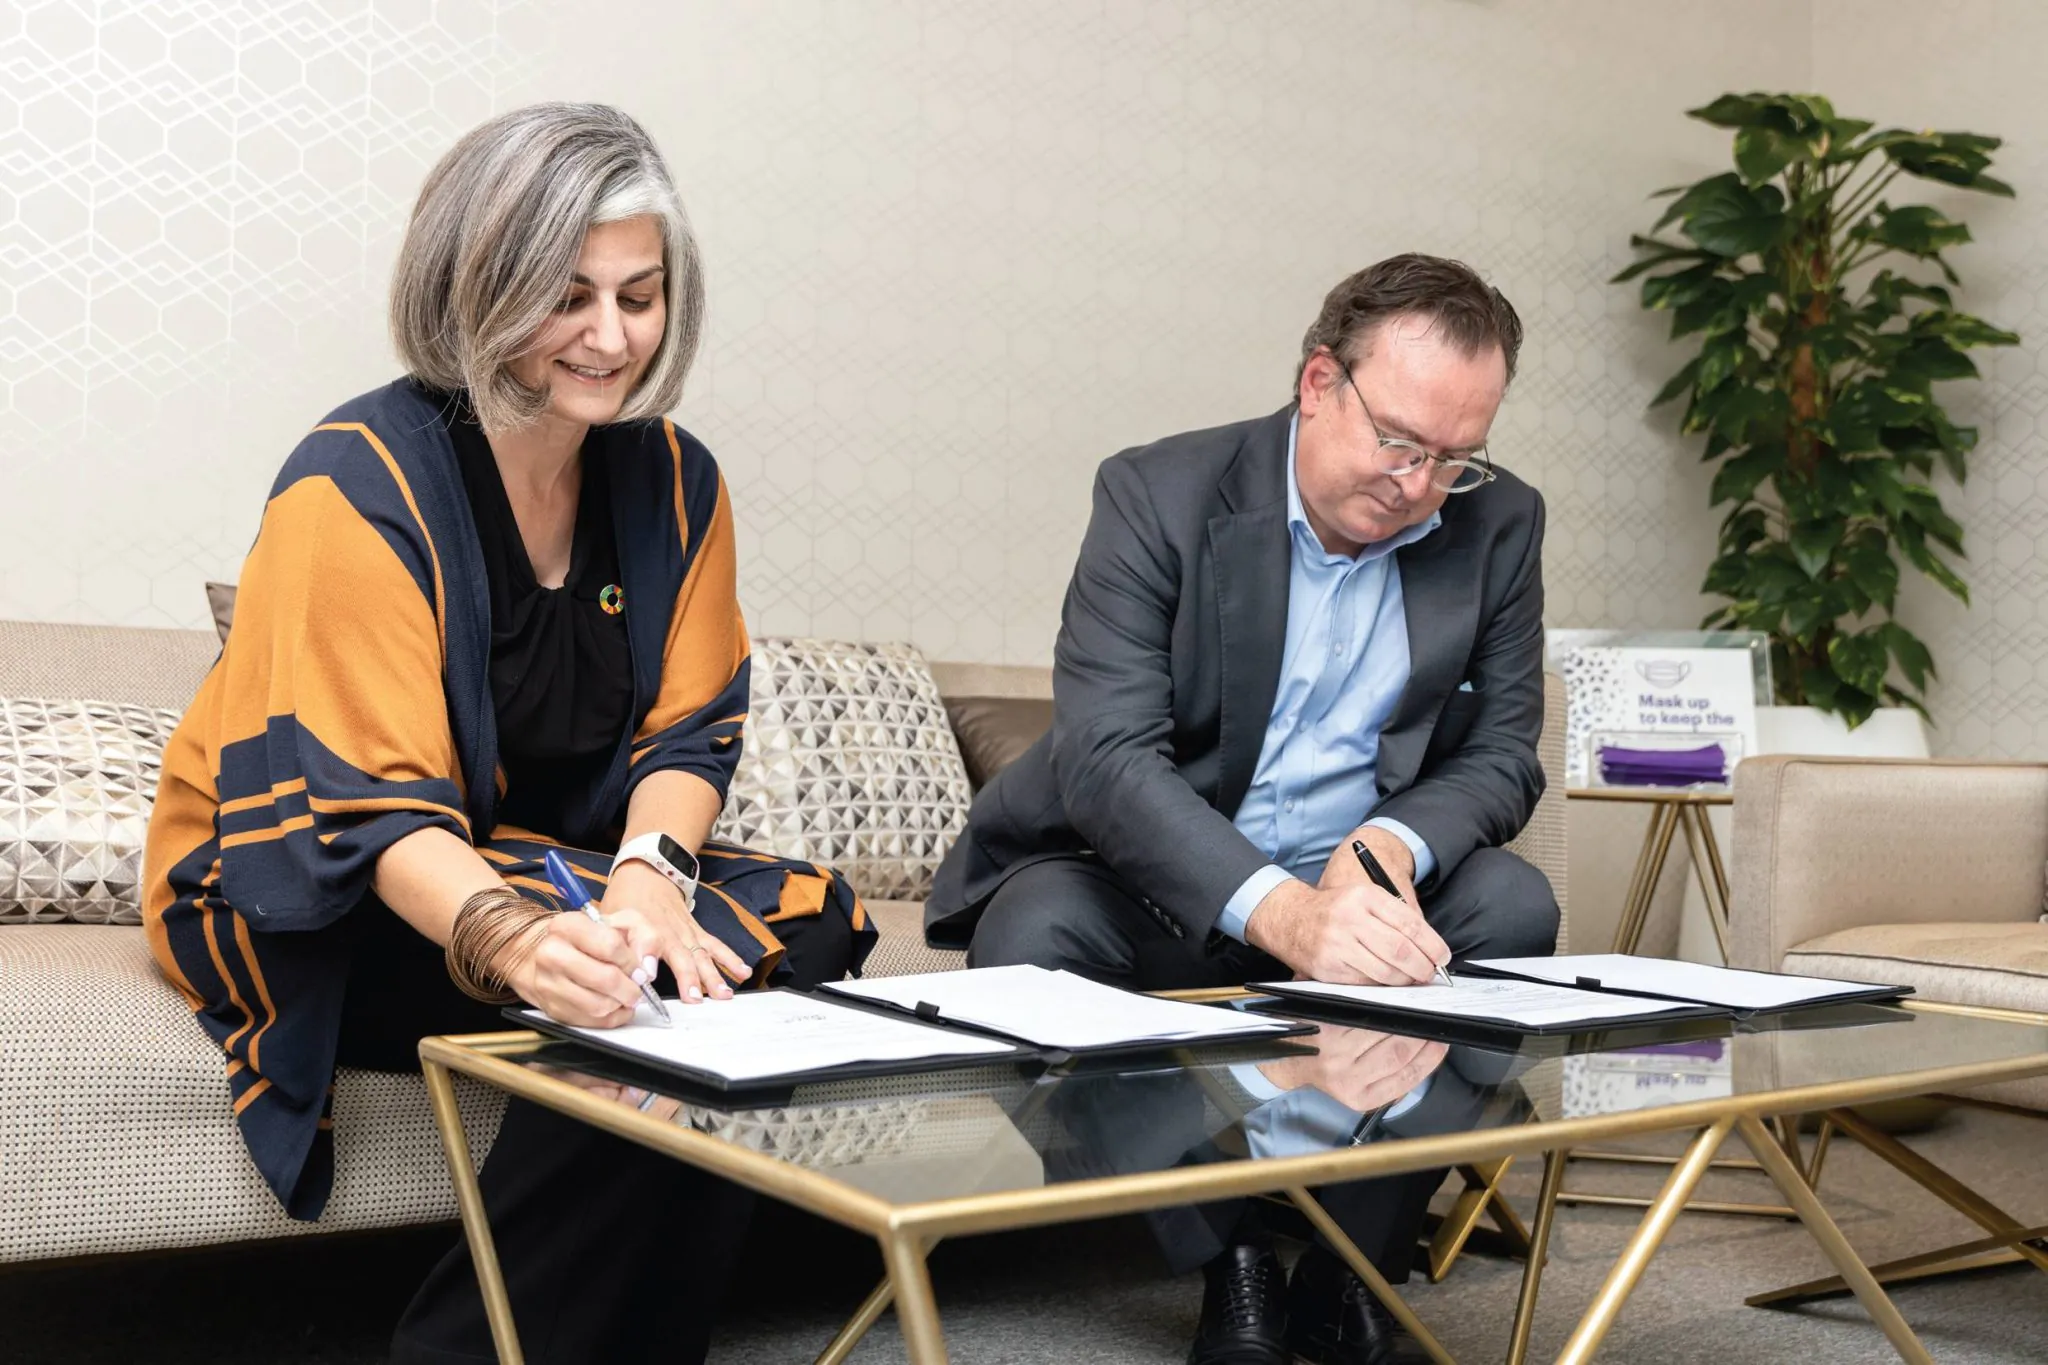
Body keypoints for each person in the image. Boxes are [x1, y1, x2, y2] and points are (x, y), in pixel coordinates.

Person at [141, 103, 871, 1365]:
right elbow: (370, 810)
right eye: (566, 295)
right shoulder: (354, 479)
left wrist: (648, 880)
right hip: (304, 872)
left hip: (529, 854)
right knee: (624, 1007)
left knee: (776, 934)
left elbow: (690, 733)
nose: (609, 336)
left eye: (639, 296)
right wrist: (528, 947)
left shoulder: (677, 480)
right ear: (477, 287)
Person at [926, 253, 1560, 1365]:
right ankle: (1235, 1259)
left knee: (1508, 905)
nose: (1419, 486)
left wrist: (1382, 849)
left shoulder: (1500, 525)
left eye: (1455, 459)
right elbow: (1110, 759)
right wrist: (1284, 916)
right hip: (1149, 882)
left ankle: (1346, 1263)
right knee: (1033, 942)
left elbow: (1503, 752)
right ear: (1319, 382)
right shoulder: (1158, 494)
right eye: (1399, 443)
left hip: (1351, 891)